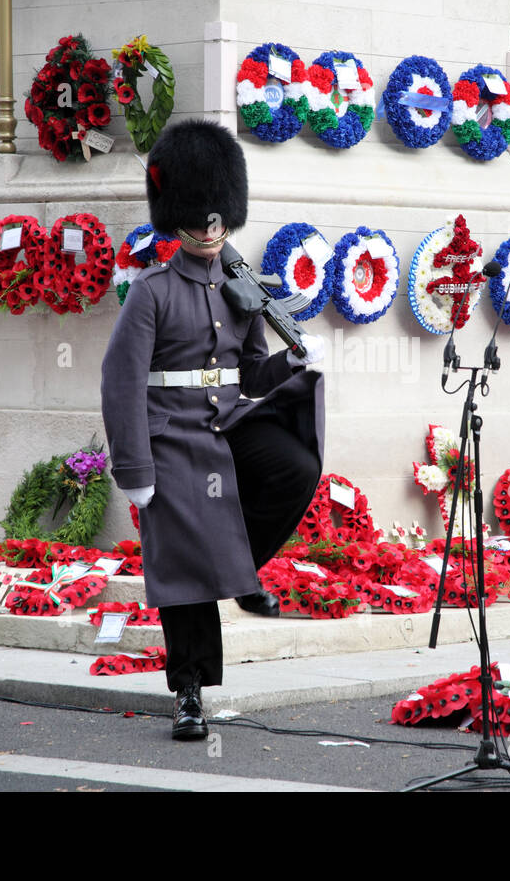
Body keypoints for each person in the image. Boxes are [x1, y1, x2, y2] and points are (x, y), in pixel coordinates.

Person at [101, 119, 326, 740]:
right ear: (177, 222)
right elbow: (120, 383)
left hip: (228, 422)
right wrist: (135, 470)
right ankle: (190, 693)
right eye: (199, 222)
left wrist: (292, 362)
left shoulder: (238, 285)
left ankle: (242, 572)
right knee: (183, 558)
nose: (210, 231)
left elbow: (252, 372)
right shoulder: (150, 291)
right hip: (172, 432)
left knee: (296, 468)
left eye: (219, 221)